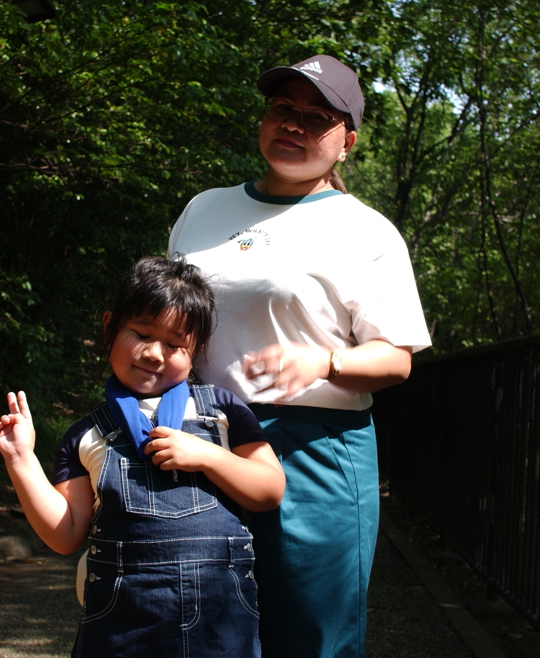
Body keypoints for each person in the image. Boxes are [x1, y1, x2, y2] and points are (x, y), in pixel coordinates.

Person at [168, 55, 432, 657]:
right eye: (283, 109)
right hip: (202, 436)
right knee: (201, 625)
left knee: (312, 633)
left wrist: (325, 363)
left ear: (347, 143)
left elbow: (397, 361)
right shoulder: (202, 209)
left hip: (314, 450)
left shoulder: (365, 231)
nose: (294, 124)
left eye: (317, 117)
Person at [0, 255, 286, 658]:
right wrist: (21, 459)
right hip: (122, 624)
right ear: (109, 326)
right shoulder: (84, 436)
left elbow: (269, 489)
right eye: (141, 333)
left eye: (174, 344)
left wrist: (206, 455)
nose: (154, 353)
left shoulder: (221, 409)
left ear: (195, 349)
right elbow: (65, 535)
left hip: (223, 618)